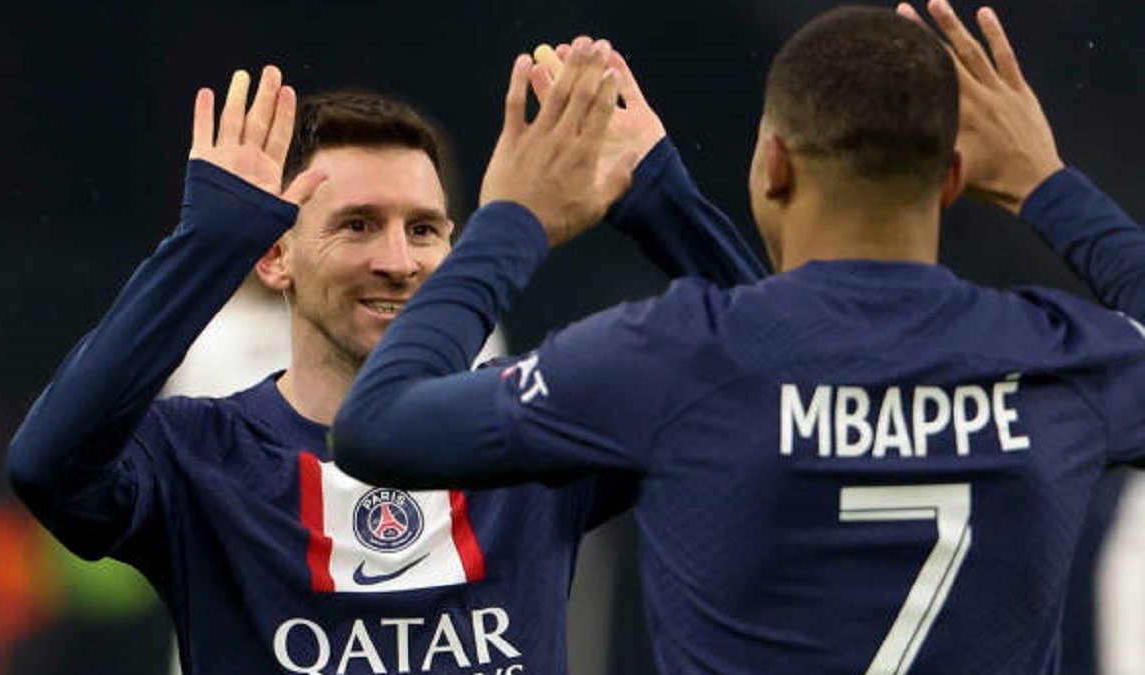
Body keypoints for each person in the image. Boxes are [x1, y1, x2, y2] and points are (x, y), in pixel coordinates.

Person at [332, 4, 1145, 674]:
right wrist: (1048, 184)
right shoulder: (1063, 358)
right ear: (955, 178)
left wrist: (516, 218)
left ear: (775, 165)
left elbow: (379, 422)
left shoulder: (673, 353)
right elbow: (791, 349)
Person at [6, 38, 768, 675]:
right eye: (359, 225)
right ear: (274, 256)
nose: (398, 261)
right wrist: (202, 251)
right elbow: (47, 465)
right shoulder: (201, 457)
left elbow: (780, 381)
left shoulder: (533, 425)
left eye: (425, 229)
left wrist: (659, 199)